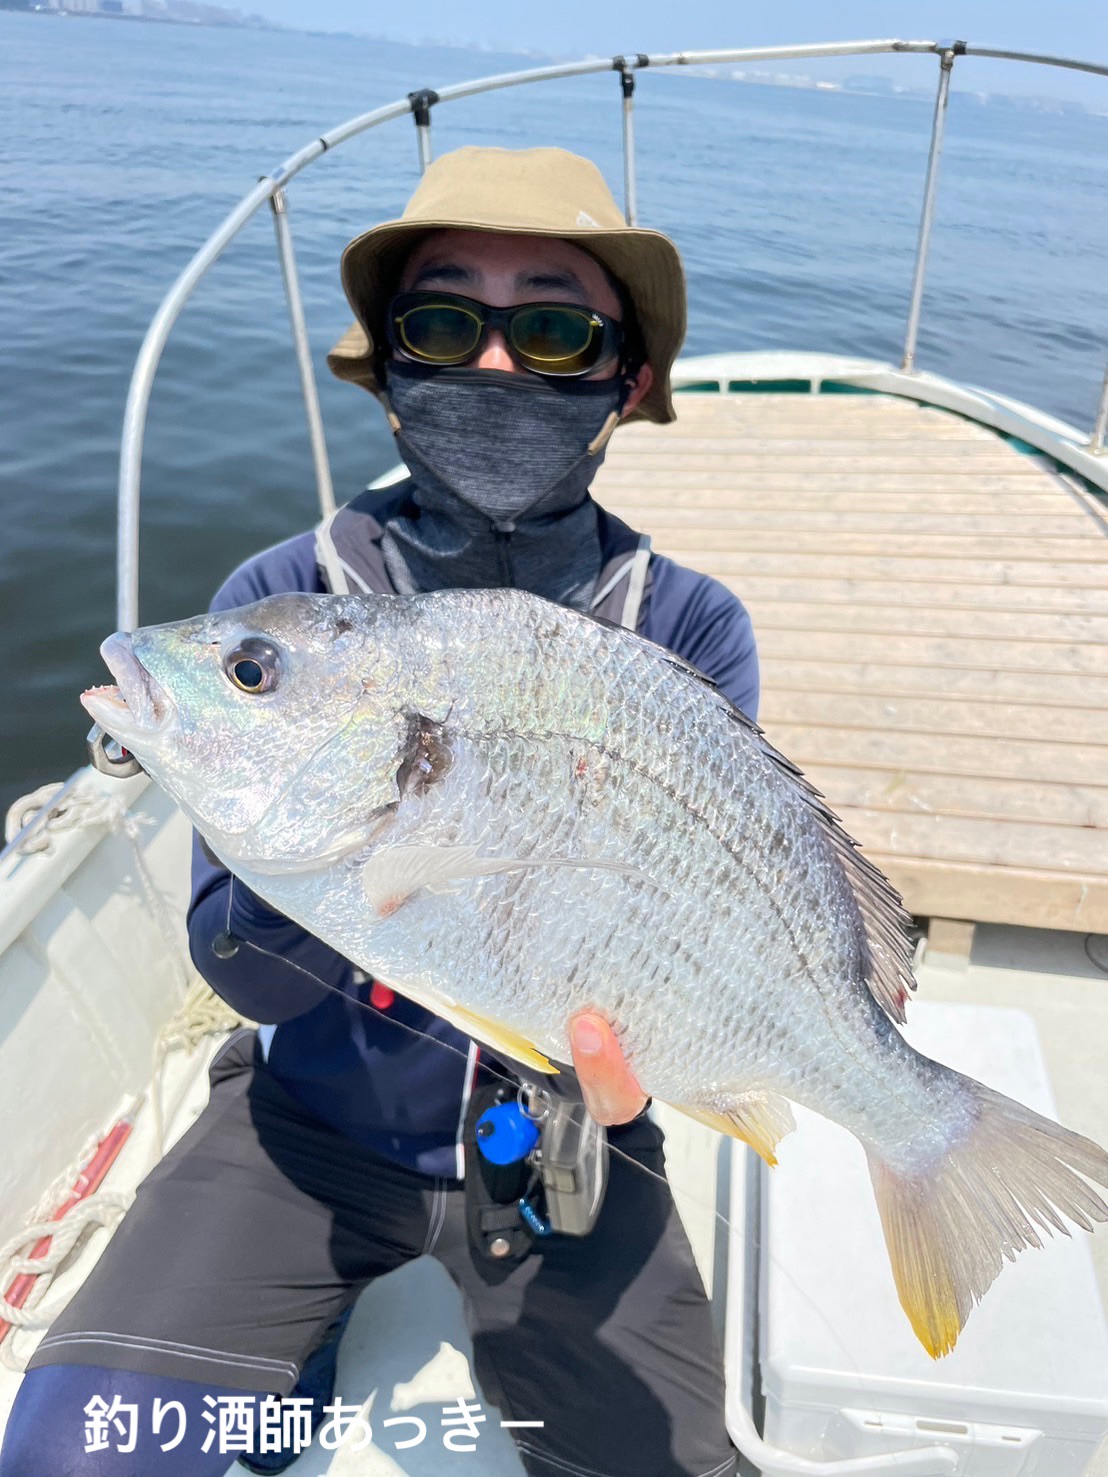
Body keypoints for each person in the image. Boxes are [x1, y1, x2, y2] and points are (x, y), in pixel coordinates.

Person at [0, 146, 757, 1477]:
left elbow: (707, 920)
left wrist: (655, 1052)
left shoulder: (689, 626)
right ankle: (286, 1371)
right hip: (312, 1129)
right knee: (76, 1452)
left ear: (625, 380)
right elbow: (244, 973)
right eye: (446, 320)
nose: (495, 366)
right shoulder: (287, 588)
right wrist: (350, 848)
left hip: (571, 1149)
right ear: (391, 368)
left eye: (558, 327)